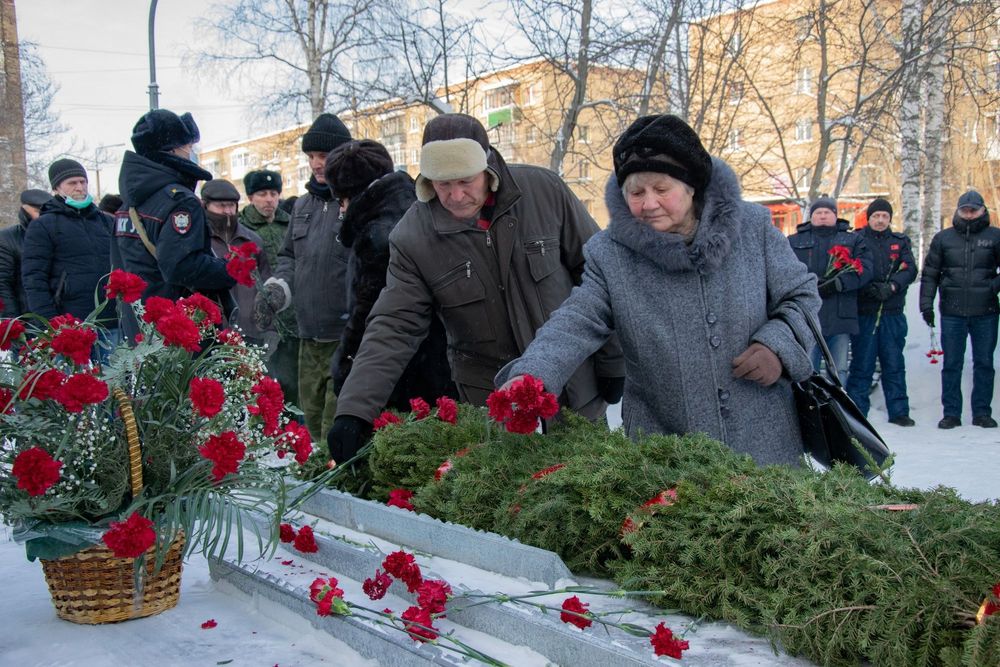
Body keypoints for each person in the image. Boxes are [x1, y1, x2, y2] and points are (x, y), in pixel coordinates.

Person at [496, 114, 820, 466]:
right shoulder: (611, 254)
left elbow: (801, 295)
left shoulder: (752, 228)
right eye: (636, 193)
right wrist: (533, 373)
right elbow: (576, 321)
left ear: (692, 185)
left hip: (765, 445)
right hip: (667, 453)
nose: (648, 204)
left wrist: (777, 346)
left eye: (661, 190)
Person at [327, 113, 625, 462]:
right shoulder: (413, 237)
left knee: (591, 483)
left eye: (466, 181)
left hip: (574, 390)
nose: (455, 196)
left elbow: (599, 278)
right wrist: (355, 411)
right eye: (442, 184)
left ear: (487, 168)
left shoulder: (543, 192)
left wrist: (613, 359)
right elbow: (394, 324)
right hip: (491, 406)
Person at [323, 139, 455, 411]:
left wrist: (346, 368)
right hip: (437, 359)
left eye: (341, 200)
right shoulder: (414, 210)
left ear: (355, 194)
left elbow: (370, 314)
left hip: (403, 371)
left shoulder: (377, 236)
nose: (342, 209)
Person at [255, 113, 353, 442]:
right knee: (311, 425)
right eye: (310, 156)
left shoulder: (356, 202)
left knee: (335, 430)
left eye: (323, 155)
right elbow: (289, 258)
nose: (315, 164)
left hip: (346, 337)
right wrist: (278, 289)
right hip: (308, 336)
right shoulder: (302, 206)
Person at [113, 109, 236, 338]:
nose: (192, 152)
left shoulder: (127, 205)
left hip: (141, 325)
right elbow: (182, 267)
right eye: (188, 146)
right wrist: (230, 269)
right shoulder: (180, 202)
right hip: (178, 330)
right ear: (171, 151)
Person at [21, 159, 119, 358]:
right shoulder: (43, 226)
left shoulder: (106, 221)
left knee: (115, 377)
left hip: (110, 321)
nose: (79, 188)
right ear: (57, 188)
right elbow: (34, 279)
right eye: (72, 183)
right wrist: (49, 323)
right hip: (70, 325)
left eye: (83, 182)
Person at [919, 190, 1000, 429]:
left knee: (984, 363)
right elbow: (930, 274)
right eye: (965, 210)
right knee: (952, 364)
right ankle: (951, 413)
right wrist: (926, 304)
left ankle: (982, 413)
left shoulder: (995, 237)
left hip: (986, 312)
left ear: (983, 210)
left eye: (974, 210)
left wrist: (992, 287)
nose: (969, 214)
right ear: (958, 210)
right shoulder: (943, 239)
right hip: (952, 311)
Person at [844, 199, 917, 426]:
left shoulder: (900, 241)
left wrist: (893, 286)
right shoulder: (857, 239)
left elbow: (910, 269)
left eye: (885, 216)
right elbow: (849, 268)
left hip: (892, 312)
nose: (880, 220)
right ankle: (857, 411)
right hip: (865, 311)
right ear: (869, 218)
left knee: (893, 363)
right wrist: (867, 287)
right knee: (862, 364)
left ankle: (899, 411)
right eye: (876, 216)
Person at [788, 197, 873, 381]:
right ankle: (810, 400)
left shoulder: (853, 240)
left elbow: (865, 269)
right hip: (807, 318)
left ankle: (837, 400)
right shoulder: (794, 241)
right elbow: (784, 270)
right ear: (811, 216)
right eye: (818, 212)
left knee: (838, 370)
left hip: (840, 317)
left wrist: (839, 283)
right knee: (808, 371)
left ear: (835, 215)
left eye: (827, 212)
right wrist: (809, 283)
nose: (823, 216)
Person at [239, 169, 298, 405]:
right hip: (260, 319)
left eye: (273, 193)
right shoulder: (242, 229)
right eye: (262, 194)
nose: (269, 200)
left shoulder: (290, 223)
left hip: (293, 317)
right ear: (251, 197)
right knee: (266, 383)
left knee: (295, 383)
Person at [201, 179, 271, 343]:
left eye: (231, 205)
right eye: (221, 205)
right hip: (213, 334)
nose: (227, 211)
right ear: (205, 206)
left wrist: (270, 329)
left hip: (251, 331)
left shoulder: (252, 240)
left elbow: (267, 286)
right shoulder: (200, 241)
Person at [0, 189, 49, 318]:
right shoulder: (7, 239)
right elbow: (3, 285)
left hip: (57, 316)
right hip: (27, 317)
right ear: (24, 211)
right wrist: (13, 323)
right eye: (38, 212)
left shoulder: (58, 236)